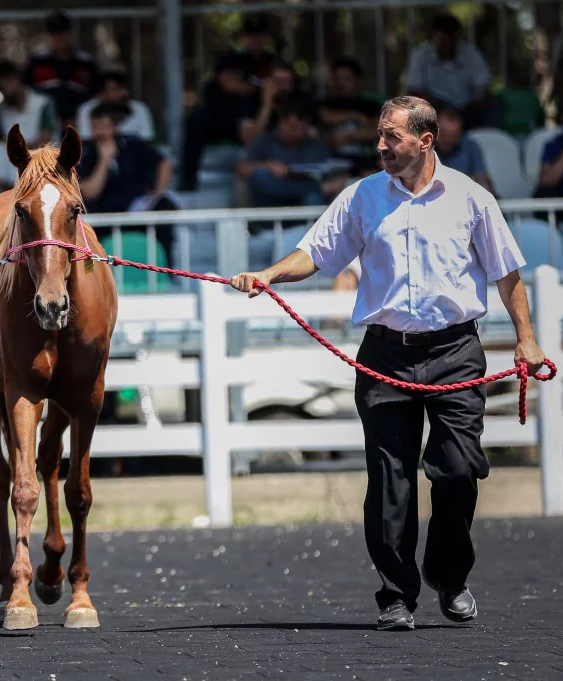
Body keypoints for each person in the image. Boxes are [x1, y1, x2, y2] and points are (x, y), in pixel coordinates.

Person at [230, 96, 546, 631]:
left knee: (459, 468)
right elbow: (317, 252)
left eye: (391, 137)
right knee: (389, 481)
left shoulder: (472, 199)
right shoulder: (362, 197)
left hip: (454, 352)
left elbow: (507, 273)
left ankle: (449, 576)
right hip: (384, 355)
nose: (380, 146)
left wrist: (527, 340)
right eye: (379, 136)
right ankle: (397, 594)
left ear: (425, 141)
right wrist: (268, 274)